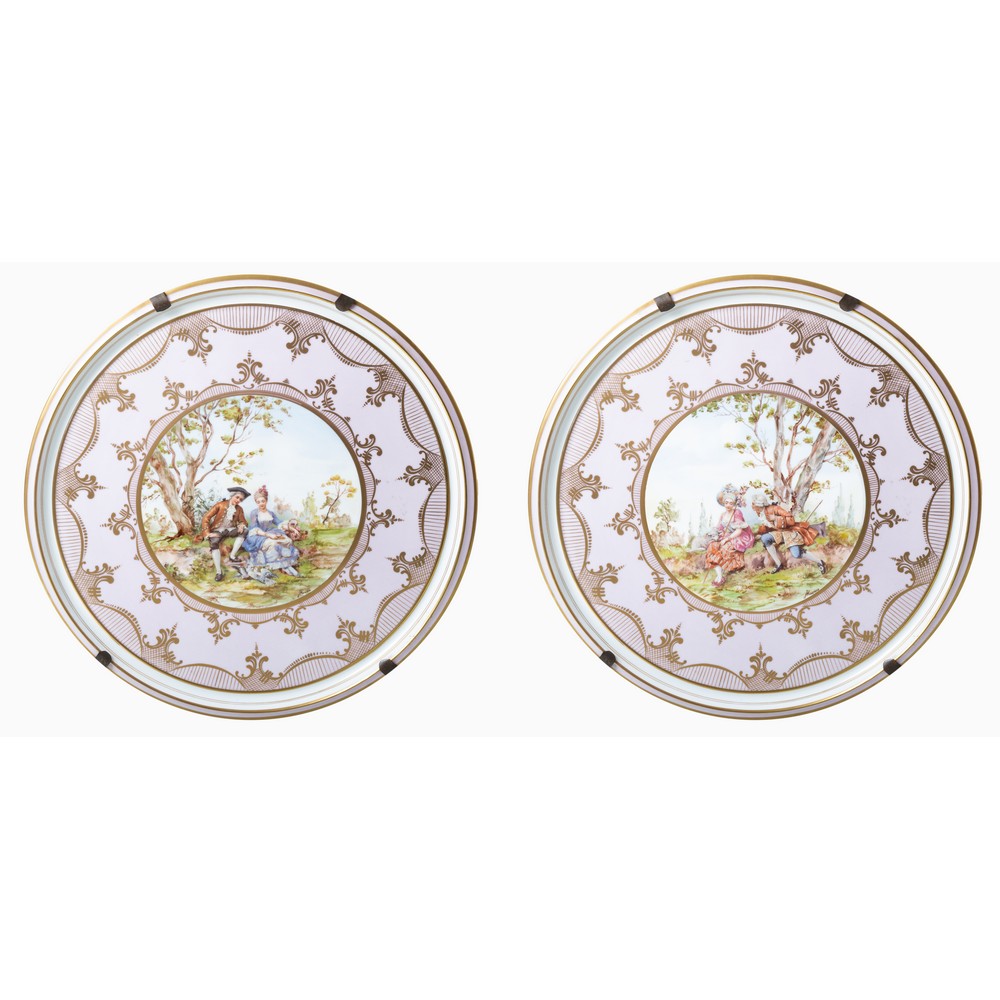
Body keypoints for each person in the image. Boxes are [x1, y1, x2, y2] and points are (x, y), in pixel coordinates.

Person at [748, 489, 826, 574]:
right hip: (779, 533)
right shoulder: (761, 513)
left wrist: (776, 518)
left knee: (796, 554)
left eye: (754, 504)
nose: (753, 506)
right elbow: (767, 525)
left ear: (760, 505)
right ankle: (778, 564)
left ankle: (820, 562)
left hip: (789, 532)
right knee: (765, 538)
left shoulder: (774, 508)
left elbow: (791, 519)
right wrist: (760, 533)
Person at [241, 484, 301, 577]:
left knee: (287, 540)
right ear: (256, 503)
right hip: (257, 535)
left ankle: (283, 562)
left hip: (270, 532)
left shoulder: (270, 513)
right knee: (272, 543)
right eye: (258, 502)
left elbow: (279, 523)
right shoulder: (254, 513)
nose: (261, 503)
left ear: (266, 501)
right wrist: (268, 535)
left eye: (263, 501)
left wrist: (293, 529)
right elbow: (254, 528)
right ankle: (270, 565)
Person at [704, 484, 755, 588]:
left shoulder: (737, 512)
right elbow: (719, 528)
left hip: (737, 537)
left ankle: (721, 577)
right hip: (725, 536)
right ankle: (719, 576)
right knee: (712, 547)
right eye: (726, 503)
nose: (728, 505)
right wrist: (713, 534)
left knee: (724, 549)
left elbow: (739, 530)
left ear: (734, 504)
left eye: (731, 503)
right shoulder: (723, 515)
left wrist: (727, 539)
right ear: (723, 503)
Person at [195, 487, 249, 582]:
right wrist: (207, 533)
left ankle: (232, 556)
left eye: (241, 499)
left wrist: (241, 525)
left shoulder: (239, 509)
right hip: (218, 530)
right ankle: (219, 572)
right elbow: (206, 517)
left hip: (230, 530)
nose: (238, 500)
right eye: (237, 497)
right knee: (214, 543)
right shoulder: (220, 504)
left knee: (245, 530)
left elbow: (243, 521)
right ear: (232, 496)